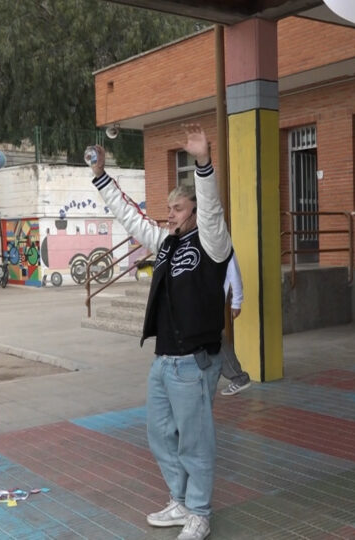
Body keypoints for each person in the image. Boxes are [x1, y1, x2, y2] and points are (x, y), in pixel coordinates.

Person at [88, 124, 231, 540]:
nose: (170, 215)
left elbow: (211, 208)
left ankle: (199, 512)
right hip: (163, 360)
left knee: (194, 442)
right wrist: (101, 175)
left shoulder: (213, 243)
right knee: (159, 435)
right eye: (169, 208)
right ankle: (180, 501)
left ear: (195, 212)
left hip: (193, 361)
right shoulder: (166, 242)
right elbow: (131, 217)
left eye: (178, 209)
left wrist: (203, 163)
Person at [220, 255, 252, 396]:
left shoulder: (221, 244)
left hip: (210, 301)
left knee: (213, 339)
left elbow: (233, 272)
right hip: (196, 301)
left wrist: (237, 302)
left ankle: (239, 377)